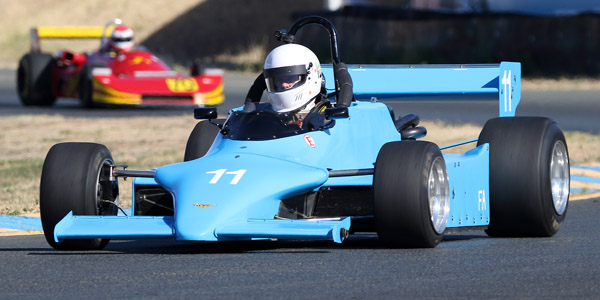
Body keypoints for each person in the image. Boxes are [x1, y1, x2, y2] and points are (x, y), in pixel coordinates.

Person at [243, 43, 333, 130]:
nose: (284, 84)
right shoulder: (265, 113)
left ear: (310, 76)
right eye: (279, 79)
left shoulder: (327, 117)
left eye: (290, 78)